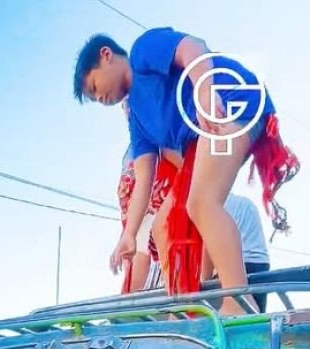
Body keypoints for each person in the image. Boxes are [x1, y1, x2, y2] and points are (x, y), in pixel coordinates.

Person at [73, 31, 298, 314]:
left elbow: (193, 47)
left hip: (228, 102)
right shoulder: (137, 118)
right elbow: (144, 177)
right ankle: (188, 306)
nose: (99, 98)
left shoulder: (142, 51)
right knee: (164, 223)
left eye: (93, 87)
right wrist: (129, 235)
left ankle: (239, 302)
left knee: (202, 202)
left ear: (106, 56)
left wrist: (205, 91)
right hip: (206, 132)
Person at [204, 193, 271, 312]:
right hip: (260, 264)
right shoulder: (244, 202)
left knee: (231, 315)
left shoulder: (210, 205)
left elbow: (207, 245)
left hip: (233, 263)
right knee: (255, 316)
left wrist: (205, 281)